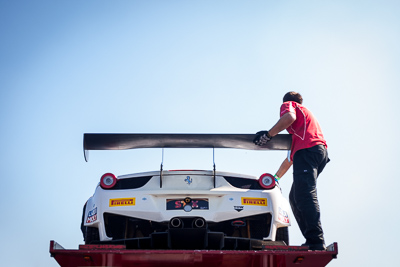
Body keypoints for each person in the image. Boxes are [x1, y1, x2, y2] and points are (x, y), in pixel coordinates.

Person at [253, 91, 329, 250]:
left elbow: (289, 118)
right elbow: (289, 160)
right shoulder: (301, 131)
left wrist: (268, 135)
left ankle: (316, 240)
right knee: (295, 197)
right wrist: (275, 178)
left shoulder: (291, 105)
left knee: (305, 193)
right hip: (316, 153)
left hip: (309, 152)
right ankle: (312, 239)